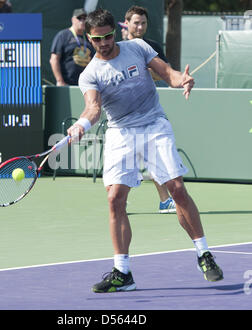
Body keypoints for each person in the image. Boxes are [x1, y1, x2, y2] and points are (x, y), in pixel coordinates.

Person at [67, 8, 223, 293]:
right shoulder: (89, 75)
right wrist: (81, 125)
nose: (104, 43)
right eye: (98, 39)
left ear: (117, 31)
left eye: (108, 36)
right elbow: (93, 109)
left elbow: (168, 74)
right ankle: (122, 273)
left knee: (176, 188)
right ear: (89, 39)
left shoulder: (137, 47)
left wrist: (182, 80)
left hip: (153, 124)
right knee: (115, 198)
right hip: (121, 132)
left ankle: (204, 253)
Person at [120, 6, 175, 214]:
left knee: (154, 157)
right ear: (127, 23)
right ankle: (120, 202)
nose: (140, 26)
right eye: (136, 22)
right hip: (123, 116)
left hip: (148, 113)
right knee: (125, 163)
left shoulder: (152, 47)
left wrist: (145, 72)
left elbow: (164, 74)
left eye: (143, 23)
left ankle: (164, 201)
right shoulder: (117, 48)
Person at [50, 8, 95, 86]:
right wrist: (60, 80)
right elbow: (54, 59)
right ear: (73, 19)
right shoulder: (63, 35)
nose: (82, 21)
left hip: (86, 84)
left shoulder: (89, 38)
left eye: (85, 19)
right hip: (67, 83)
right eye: (79, 18)